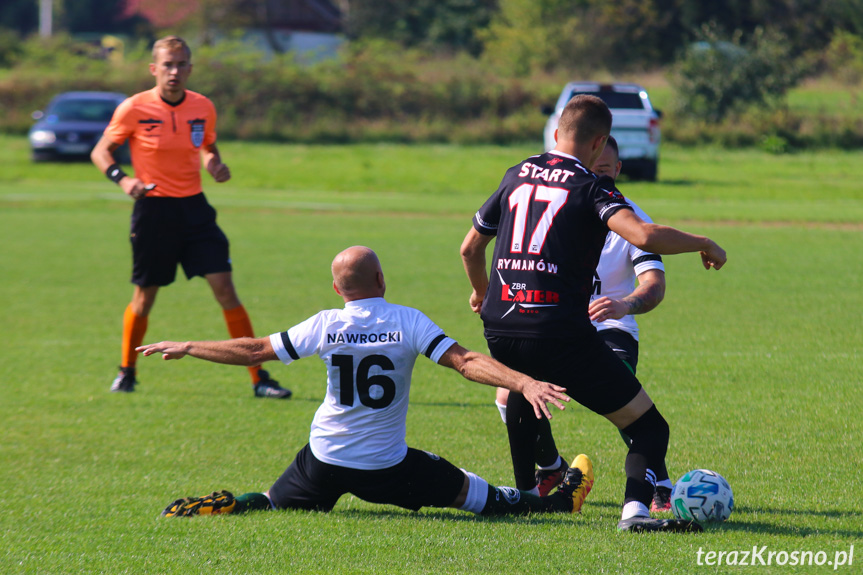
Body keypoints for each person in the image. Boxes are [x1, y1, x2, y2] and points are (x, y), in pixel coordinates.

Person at [137, 246, 594, 519]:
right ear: (381, 279)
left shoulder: (325, 323)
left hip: (324, 456)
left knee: (273, 501)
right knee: (482, 498)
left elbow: (254, 350)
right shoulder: (406, 320)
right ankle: (555, 503)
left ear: (338, 290)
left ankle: (232, 503)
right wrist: (523, 382)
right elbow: (465, 361)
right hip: (385, 467)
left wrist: (190, 344)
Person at [460, 94, 726, 533]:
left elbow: (470, 247)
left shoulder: (516, 175)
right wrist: (703, 242)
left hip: (500, 323)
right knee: (648, 427)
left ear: (556, 132)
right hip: (559, 330)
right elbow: (642, 233)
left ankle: (529, 496)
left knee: (522, 396)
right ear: (599, 142)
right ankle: (636, 514)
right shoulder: (590, 185)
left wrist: (482, 293)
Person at [91, 35, 291, 399]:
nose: (175, 71)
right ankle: (127, 371)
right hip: (153, 212)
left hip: (195, 210)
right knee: (144, 298)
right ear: (154, 69)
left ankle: (259, 378)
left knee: (226, 290)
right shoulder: (134, 108)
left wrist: (212, 161)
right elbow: (102, 151)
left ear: (190, 68)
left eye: (182, 64)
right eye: (167, 64)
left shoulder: (202, 106)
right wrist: (124, 180)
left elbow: (207, 143)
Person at [492, 136, 673, 512]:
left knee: (625, 392)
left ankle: (659, 483)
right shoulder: (559, 205)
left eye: (604, 171)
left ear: (618, 170)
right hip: (556, 326)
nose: (594, 178)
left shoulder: (629, 216)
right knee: (509, 394)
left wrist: (624, 304)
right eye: (590, 169)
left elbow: (654, 285)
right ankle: (551, 468)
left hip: (610, 329)